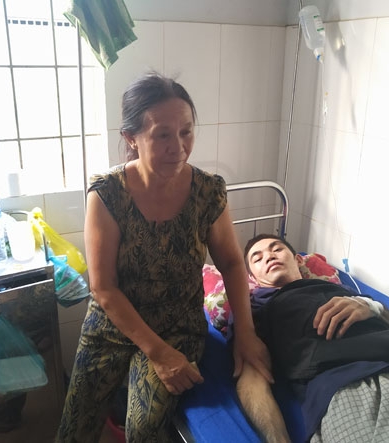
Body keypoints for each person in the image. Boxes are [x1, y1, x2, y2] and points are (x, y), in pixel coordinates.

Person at [56, 72, 271, 442]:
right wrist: (158, 354)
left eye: (186, 132)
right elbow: (103, 287)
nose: (179, 147)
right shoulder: (108, 194)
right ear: (131, 138)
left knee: (144, 429)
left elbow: (233, 263)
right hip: (112, 326)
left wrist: (245, 333)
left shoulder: (208, 192)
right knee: (74, 431)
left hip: (177, 327)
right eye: (163, 135)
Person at [235, 233, 389, 443]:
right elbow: (252, 378)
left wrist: (372, 307)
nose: (269, 256)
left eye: (276, 248)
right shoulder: (255, 313)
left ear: (298, 260)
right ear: (252, 278)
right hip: (352, 392)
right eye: (257, 258)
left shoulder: (343, 290)